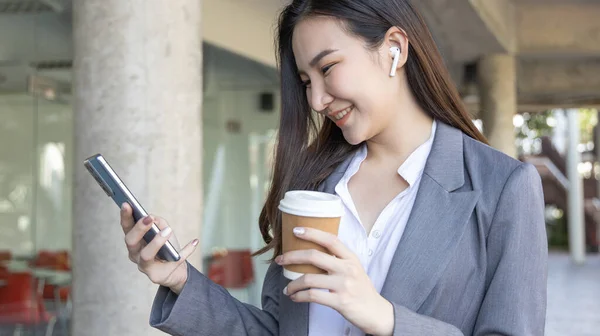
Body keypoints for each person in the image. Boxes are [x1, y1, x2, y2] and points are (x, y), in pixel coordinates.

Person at [119, 0, 547, 335]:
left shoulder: (503, 187)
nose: (317, 100)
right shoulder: (314, 185)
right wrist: (180, 280)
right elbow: (277, 330)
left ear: (393, 49)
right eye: (306, 81)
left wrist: (387, 319)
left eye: (327, 69)